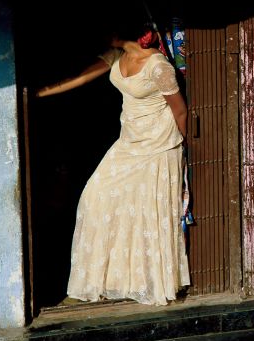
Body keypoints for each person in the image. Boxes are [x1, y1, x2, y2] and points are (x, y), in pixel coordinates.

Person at [36, 23, 190, 306]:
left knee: (147, 210)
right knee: (95, 196)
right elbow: (82, 78)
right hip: (129, 140)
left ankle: (148, 280)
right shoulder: (117, 55)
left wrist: (185, 148)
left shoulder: (159, 67)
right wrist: (41, 93)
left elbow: (179, 109)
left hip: (158, 143)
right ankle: (115, 278)